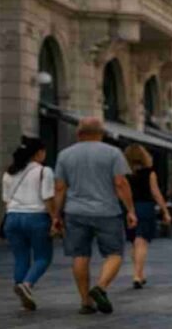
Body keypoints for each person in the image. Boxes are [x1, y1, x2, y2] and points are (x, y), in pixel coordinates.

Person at [53, 117, 134, 314]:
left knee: (80, 255)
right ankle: (101, 287)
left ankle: (85, 302)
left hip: (75, 212)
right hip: (108, 212)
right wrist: (130, 210)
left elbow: (60, 188)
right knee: (114, 253)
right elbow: (120, 183)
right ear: (101, 134)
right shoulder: (113, 153)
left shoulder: (65, 155)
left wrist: (56, 215)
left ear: (78, 134)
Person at [1, 137, 58, 310]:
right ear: (39, 153)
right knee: (43, 257)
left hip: (12, 218)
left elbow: (6, 200)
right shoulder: (44, 171)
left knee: (21, 257)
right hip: (36, 218)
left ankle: (22, 292)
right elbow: (48, 198)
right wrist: (55, 218)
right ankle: (27, 284)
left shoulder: (9, 173)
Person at [124, 144, 172, 289]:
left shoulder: (124, 173)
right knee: (142, 241)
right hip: (145, 207)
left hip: (128, 208)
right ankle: (137, 275)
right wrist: (165, 211)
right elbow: (156, 193)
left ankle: (139, 273)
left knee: (134, 242)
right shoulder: (150, 173)